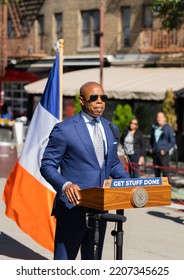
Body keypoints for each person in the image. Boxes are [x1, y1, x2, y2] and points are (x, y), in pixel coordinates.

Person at [40, 81, 130, 260]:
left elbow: (112, 164)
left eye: (103, 98)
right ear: (82, 101)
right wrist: (65, 185)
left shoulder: (111, 128)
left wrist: (129, 184)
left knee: (93, 263)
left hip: (100, 207)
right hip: (73, 207)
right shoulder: (64, 129)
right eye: (94, 98)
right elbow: (47, 165)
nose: (99, 102)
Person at [149, 112, 176, 178]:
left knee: (165, 172)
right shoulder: (154, 127)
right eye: (158, 117)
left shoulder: (168, 128)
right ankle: (158, 188)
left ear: (164, 118)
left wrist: (165, 150)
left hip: (164, 154)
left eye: (160, 117)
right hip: (155, 153)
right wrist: (151, 148)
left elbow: (172, 141)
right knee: (156, 173)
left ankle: (166, 187)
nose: (159, 119)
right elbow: (151, 139)